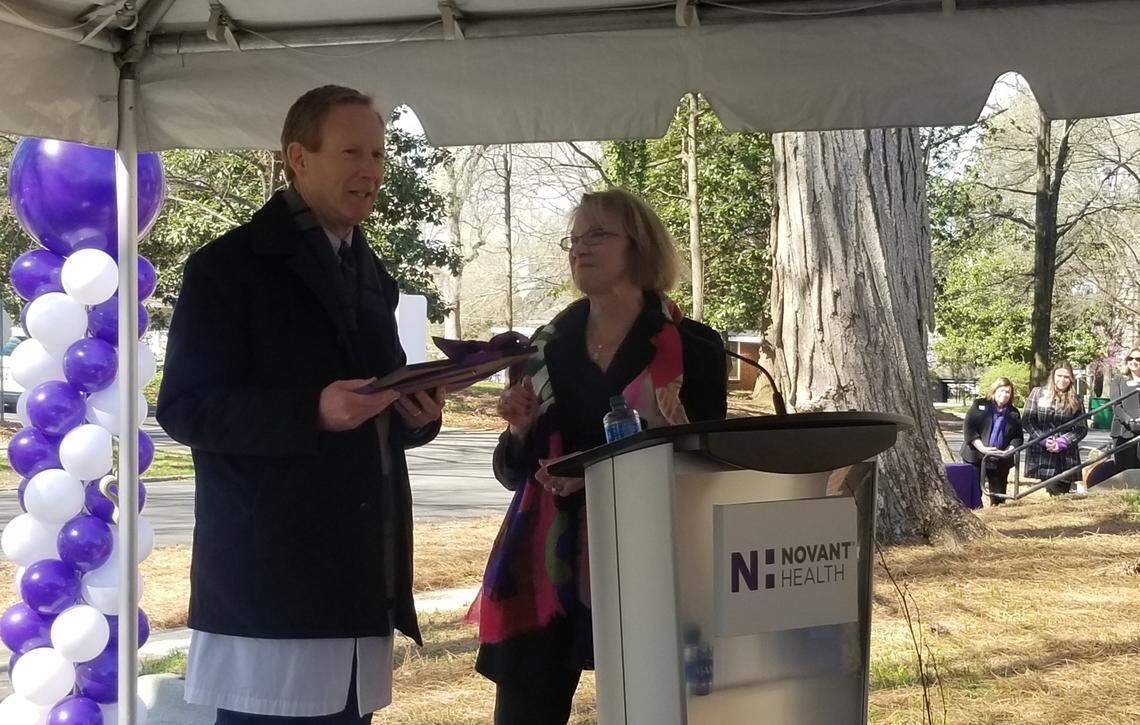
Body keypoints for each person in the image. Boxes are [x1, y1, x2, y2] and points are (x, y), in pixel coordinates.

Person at [156, 85, 444, 724]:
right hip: (270, 578)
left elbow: (379, 403)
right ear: (298, 157)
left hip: (359, 574)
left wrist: (415, 414)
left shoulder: (374, 277)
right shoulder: (228, 268)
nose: (370, 170)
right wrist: (310, 411)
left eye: (378, 153)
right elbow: (187, 408)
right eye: (351, 152)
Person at [469, 189, 728, 724]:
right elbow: (511, 473)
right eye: (574, 238)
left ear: (639, 246)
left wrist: (599, 476)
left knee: (654, 709)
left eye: (597, 235)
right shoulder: (545, 347)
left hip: (651, 557)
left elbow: (709, 465)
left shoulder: (693, 346)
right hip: (548, 560)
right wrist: (519, 431)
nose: (579, 249)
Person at [1022, 363, 1087, 495]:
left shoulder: (1076, 399)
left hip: (1066, 454)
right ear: (1053, 376)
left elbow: (1081, 428)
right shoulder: (1038, 393)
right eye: (1059, 376)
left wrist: (1063, 442)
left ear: (1071, 379)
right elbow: (1028, 420)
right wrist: (1043, 439)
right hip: (1042, 451)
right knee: (1051, 489)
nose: (1062, 380)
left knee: (1060, 491)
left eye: (1066, 377)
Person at [960, 377, 1023, 506]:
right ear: (994, 391)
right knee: (974, 494)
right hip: (975, 456)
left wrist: (1008, 450)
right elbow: (969, 429)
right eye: (1001, 391)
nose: (1004, 395)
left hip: (1000, 459)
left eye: (1008, 392)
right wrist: (982, 448)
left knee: (998, 498)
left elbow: (1018, 437)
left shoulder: (1013, 412)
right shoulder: (979, 405)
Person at [1109, 347, 1140, 472]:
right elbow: (1115, 405)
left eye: (1138, 359)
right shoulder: (1119, 380)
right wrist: (1130, 421)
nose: (1134, 361)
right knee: (1125, 471)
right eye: (1130, 358)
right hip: (1123, 431)